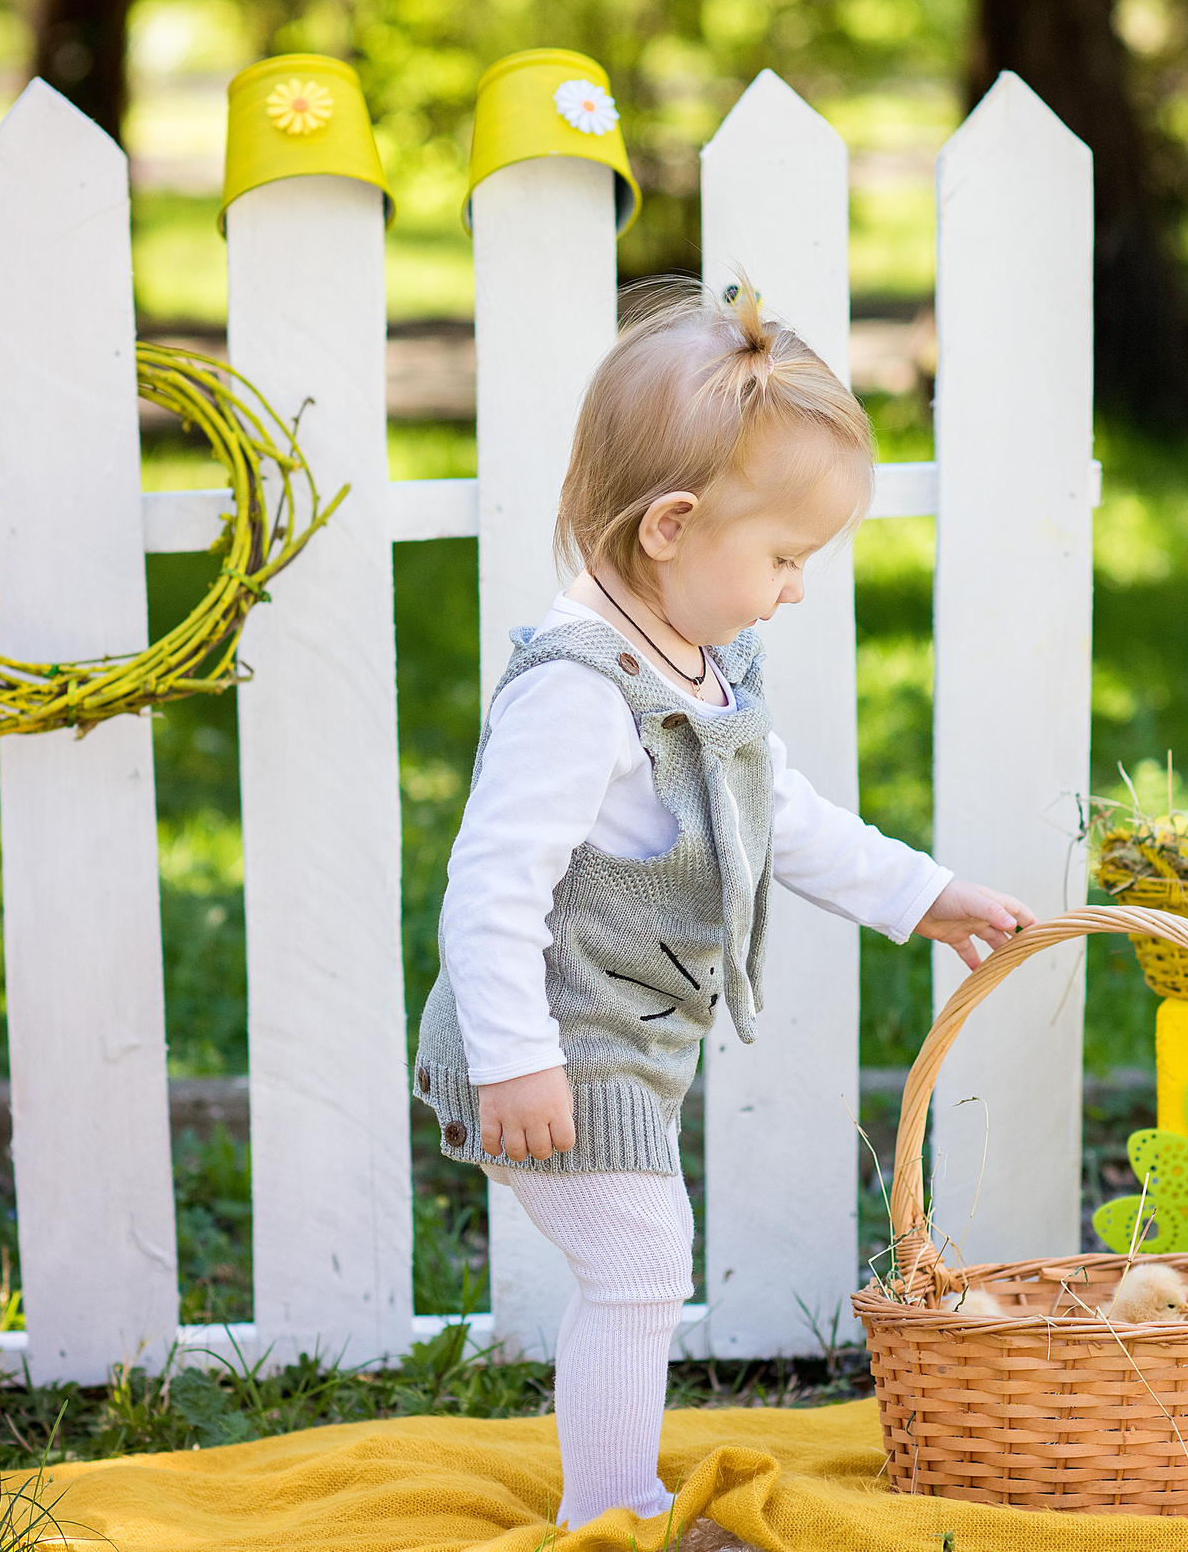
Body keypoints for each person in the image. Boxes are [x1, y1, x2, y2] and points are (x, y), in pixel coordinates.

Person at [415, 276, 1035, 1534]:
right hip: (550, 1045)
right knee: (640, 1264)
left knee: (640, 1262)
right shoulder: (578, 692)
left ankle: (612, 1496)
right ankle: (613, 1509)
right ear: (672, 526)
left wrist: (919, 892)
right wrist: (516, 1058)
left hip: (617, 1041)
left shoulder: (700, 663)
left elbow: (778, 811)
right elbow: (487, 886)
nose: (796, 587)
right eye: (785, 557)